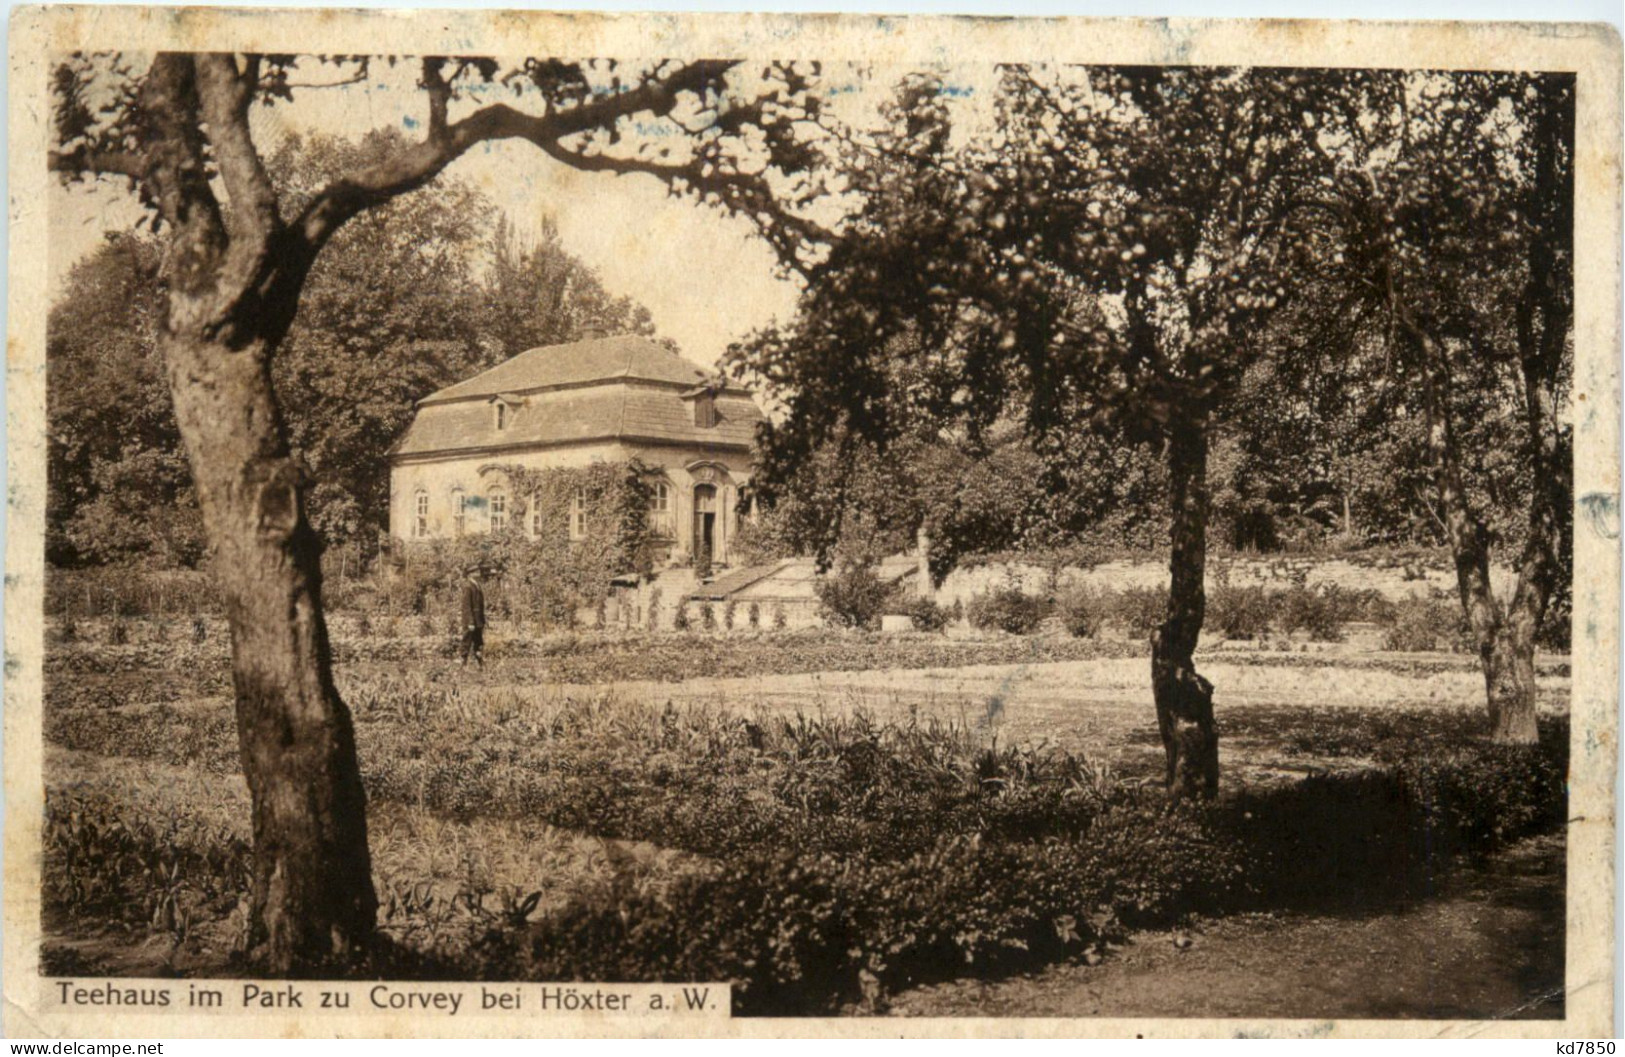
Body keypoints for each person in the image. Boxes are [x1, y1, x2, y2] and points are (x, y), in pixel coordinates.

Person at [459, 563, 486, 669]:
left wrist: (482, 620)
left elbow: (480, 605)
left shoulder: (477, 586)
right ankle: (463, 664)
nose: (478, 573)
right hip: (471, 620)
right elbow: (466, 606)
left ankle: (480, 664)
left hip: (478, 619)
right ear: (470, 575)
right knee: (467, 641)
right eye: (476, 572)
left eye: (478, 571)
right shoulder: (468, 587)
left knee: (478, 641)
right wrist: (470, 621)